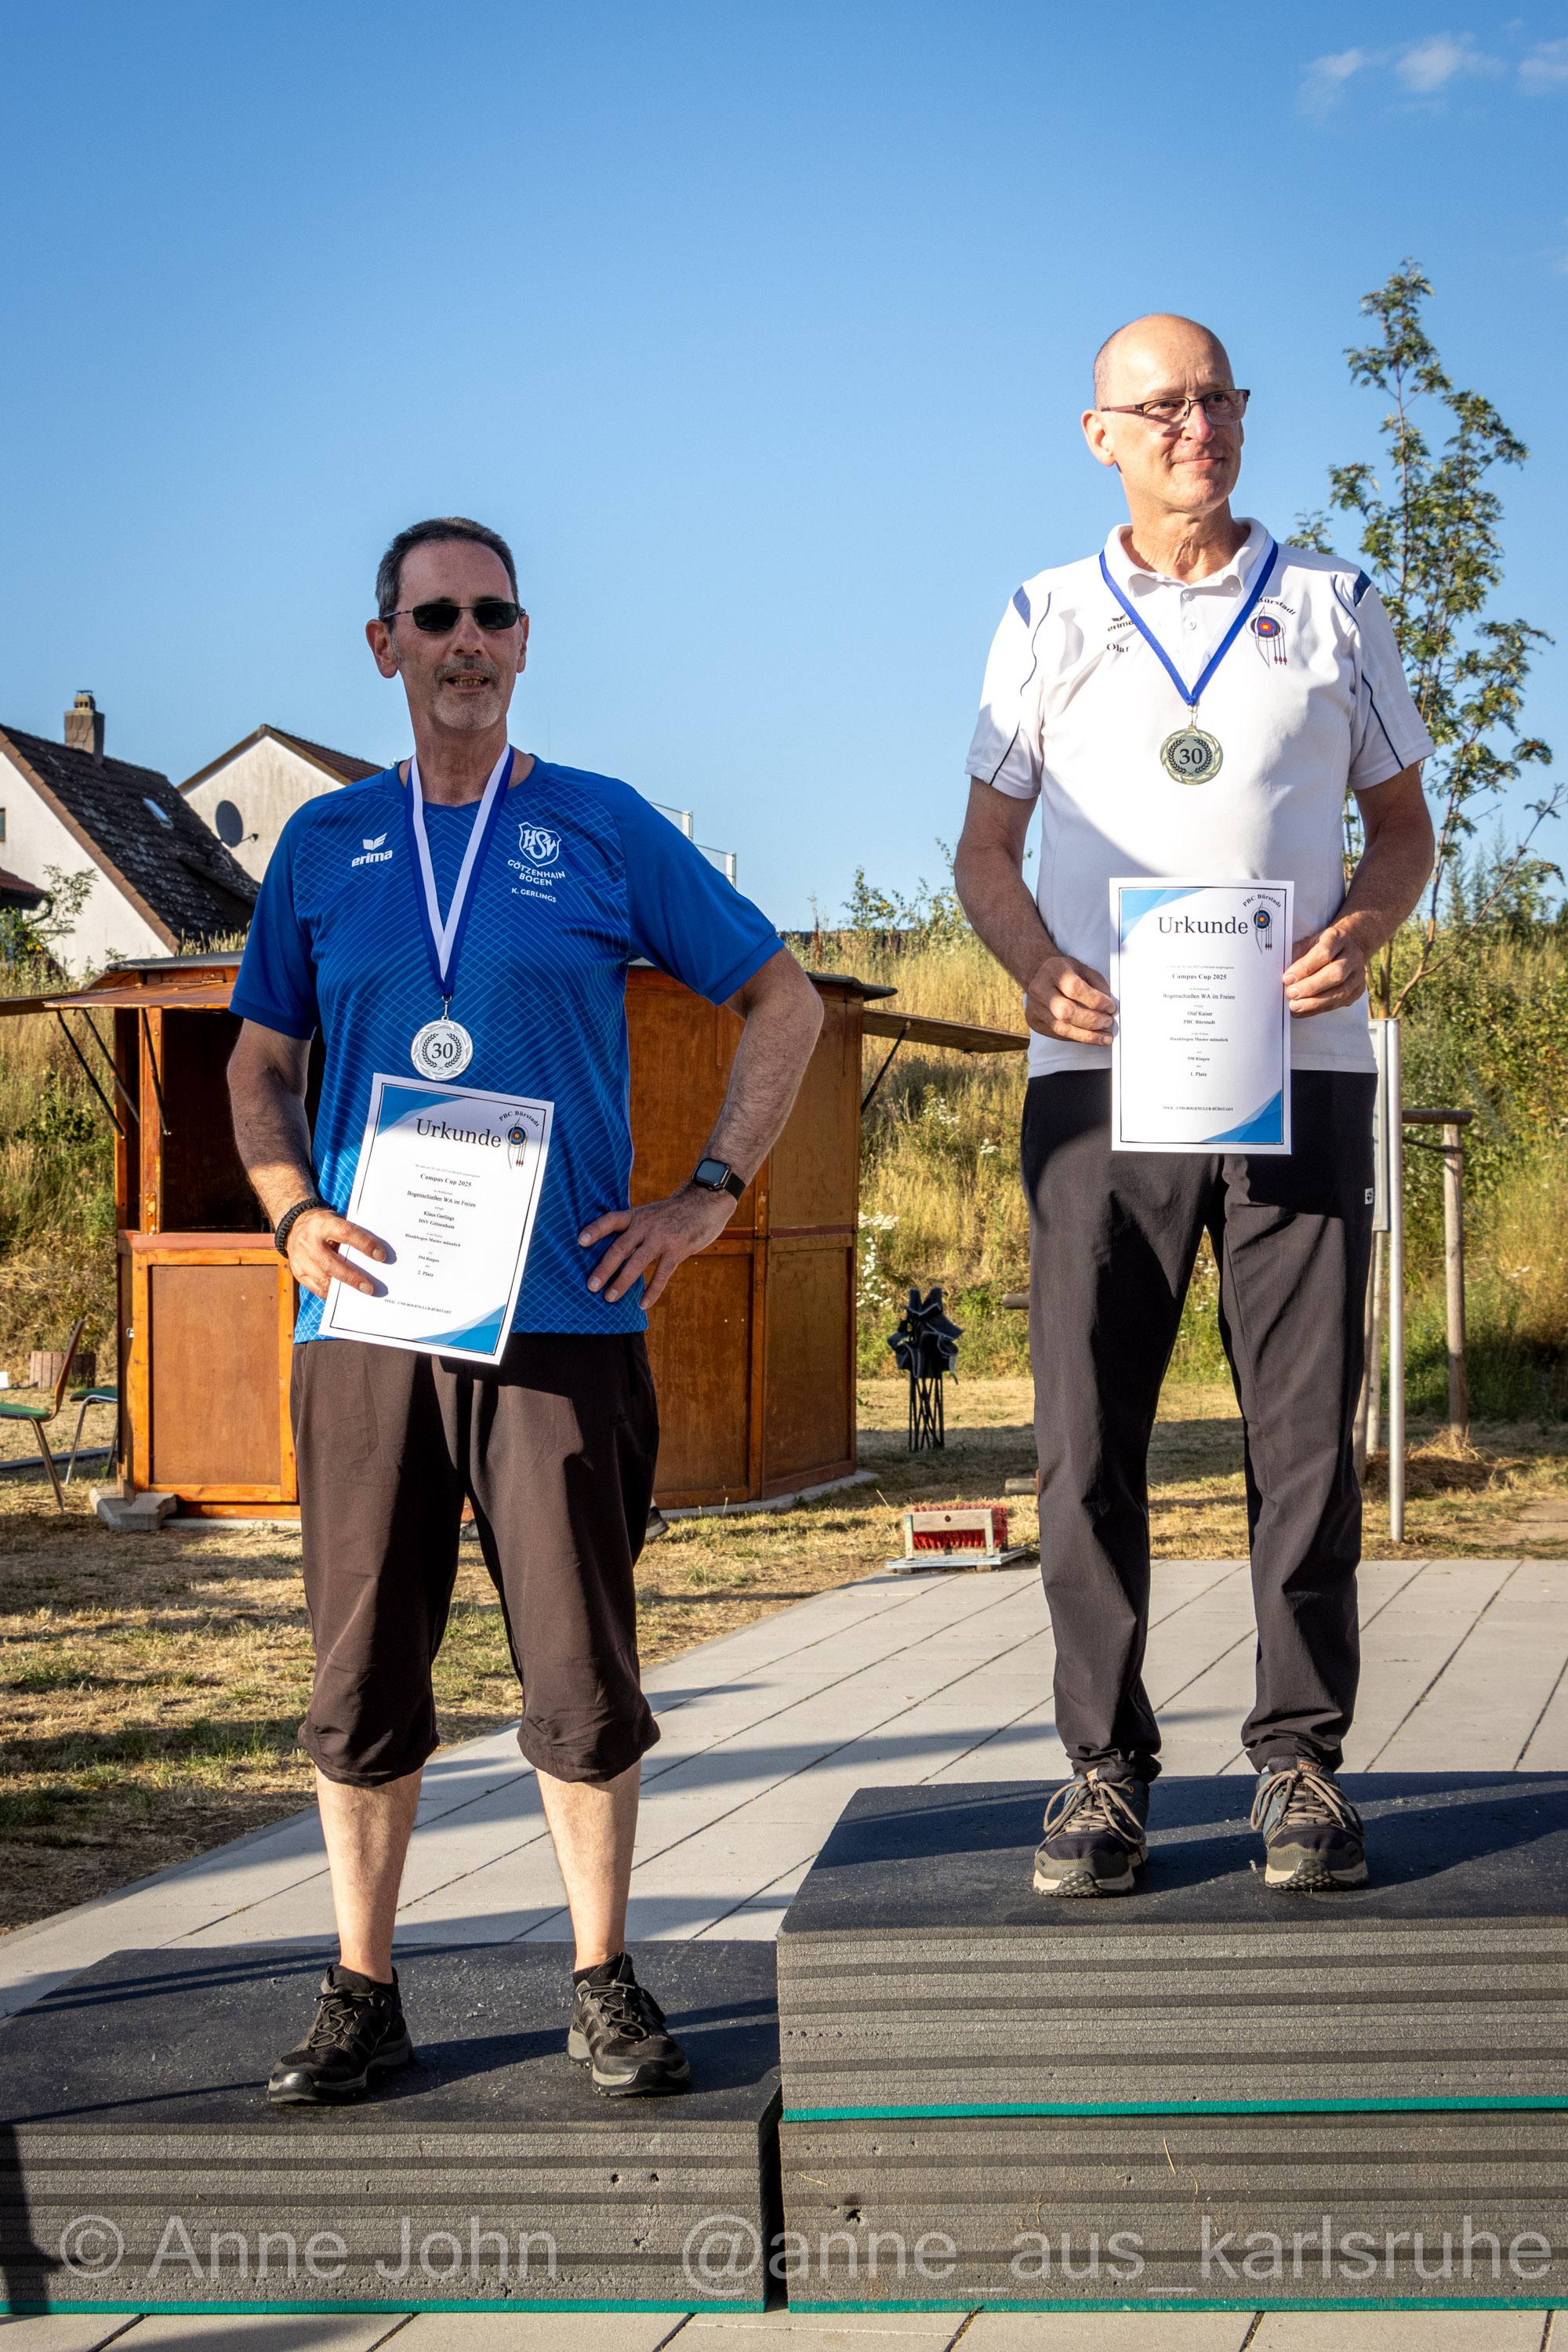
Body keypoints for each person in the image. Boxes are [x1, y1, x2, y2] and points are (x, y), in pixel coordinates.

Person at [227, 515, 823, 2100]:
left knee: (578, 1670)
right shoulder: (323, 845)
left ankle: (603, 1978)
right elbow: (259, 1064)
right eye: (435, 617)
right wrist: (288, 1208)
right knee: (362, 1676)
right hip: (368, 1319)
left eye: (493, 613)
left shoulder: (602, 826)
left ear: (525, 638)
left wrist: (708, 1193)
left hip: (564, 1318)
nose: (466, 641)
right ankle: (362, 1989)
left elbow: (783, 999)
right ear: (385, 646)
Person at [953, 316, 1436, 1897]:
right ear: (1098, 432)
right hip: (1099, 1077)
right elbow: (983, 852)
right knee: (1086, 1435)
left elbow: (1402, 831)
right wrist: (1034, 966)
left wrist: (1364, 928)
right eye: (1158, 406)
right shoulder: (1044, 613)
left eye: (1216, 398)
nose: (1194, 427)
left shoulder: (1334, 604)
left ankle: (1299, 1762)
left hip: (1301, 1069)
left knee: (1302, 1434)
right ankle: (1103, 1770)